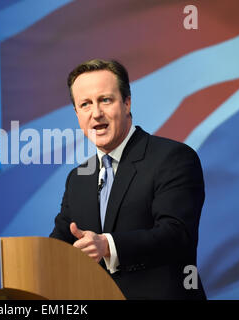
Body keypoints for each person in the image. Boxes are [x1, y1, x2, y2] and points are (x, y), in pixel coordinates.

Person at [50, 59, 206, 300]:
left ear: (126, 102)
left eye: (105, 100)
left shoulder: (173, 158)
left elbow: (176, 234)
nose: (96, 113)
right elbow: (57, 247)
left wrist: (108, 246)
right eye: (85, 104)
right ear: (77, 113)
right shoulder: (78, 178)